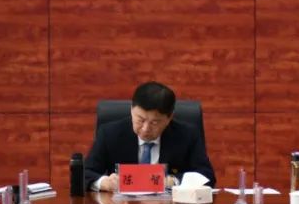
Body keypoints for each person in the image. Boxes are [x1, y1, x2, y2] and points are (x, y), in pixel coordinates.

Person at [84, 82, 215, 192]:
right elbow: (85, 173)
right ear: (131, 109)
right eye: (140, 120)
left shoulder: (187, 135)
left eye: (154, 123)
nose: (145, 129)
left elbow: (207, 176)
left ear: (169, 118)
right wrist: (103, 182)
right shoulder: (109, 133)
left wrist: (174, 181)